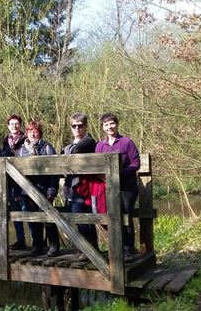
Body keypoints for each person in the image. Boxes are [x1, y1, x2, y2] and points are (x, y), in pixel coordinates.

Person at [95, 112, 141, 261]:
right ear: (103, 127)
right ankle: (117, 248)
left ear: (117, 124)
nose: (110, 127)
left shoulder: (127, 142)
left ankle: (128, 250)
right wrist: (105, 178)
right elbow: (97, 165)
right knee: (111, 216)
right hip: (109, 188)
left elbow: (135, 163)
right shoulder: (100, 145)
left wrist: (120, 174)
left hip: (127, 187)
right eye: (106, 124)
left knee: (126, 215)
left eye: (112, 123)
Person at [14, 121, 60, 256]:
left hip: (43, 190)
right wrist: (17, 190)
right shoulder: (21, 150)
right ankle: (37, 245)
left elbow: (55, 170)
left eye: (35, 131)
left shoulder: (46, 147)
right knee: (33, 219)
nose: (32, 134)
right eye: (29, 131)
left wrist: (52, 190)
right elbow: (16, 172)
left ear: (39, 133)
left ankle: (54, 245)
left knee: (48, 219)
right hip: (26, 190)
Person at [63, 113, 98, 260]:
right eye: (74, 126)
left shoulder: (89, 141)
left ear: (85, 126)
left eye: (80, 125)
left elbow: (75, 153)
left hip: (85, 186)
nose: (77, 128)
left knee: (82, 216)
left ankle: (89, 249)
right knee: (80, 217)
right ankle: (89, 248)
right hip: (72, 186)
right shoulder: (69, 146)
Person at [0, 114, 27, 250]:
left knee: (29, 211)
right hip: (10, 181)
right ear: (8, 126)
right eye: (11, 124)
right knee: (15, 211)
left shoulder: (26, 139)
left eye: (16, 124)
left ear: (20, 125)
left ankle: (37, 242)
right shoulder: (5, 141)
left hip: (24, 180)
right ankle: (20, 239)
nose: (14, 126)